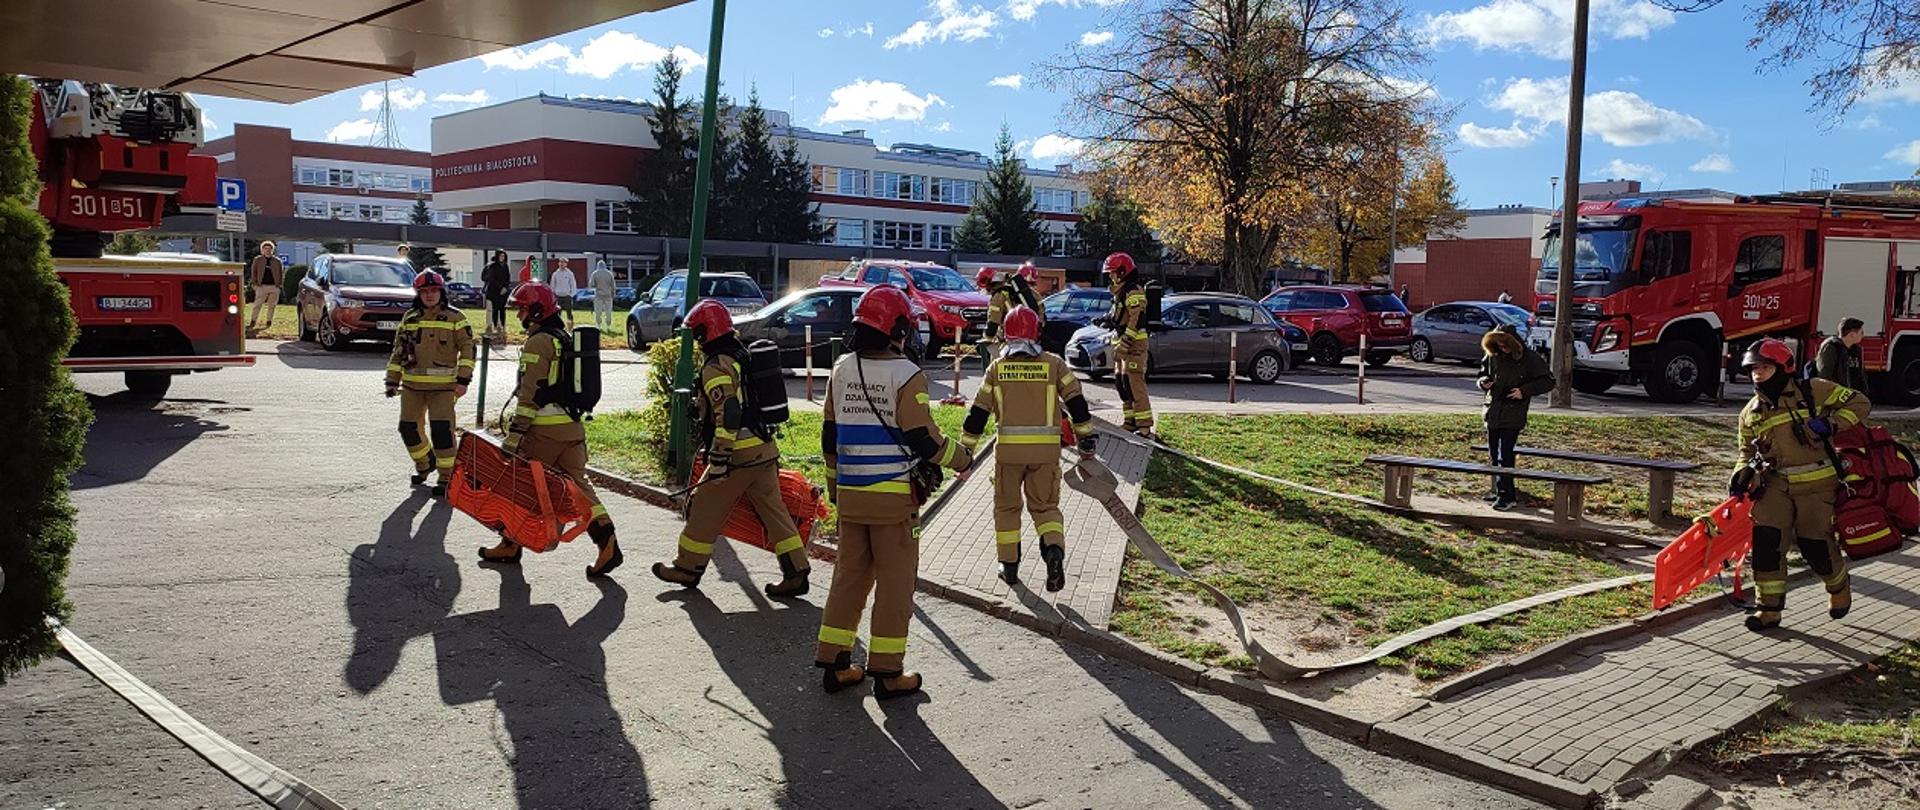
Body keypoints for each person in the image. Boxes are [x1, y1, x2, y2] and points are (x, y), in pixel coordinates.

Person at [816, 285, 975, 698]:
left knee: (848, 578)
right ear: (898, 328)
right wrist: (963, 459)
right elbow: (924, 438)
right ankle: (888, 673)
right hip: (893, 500)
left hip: (850, 496)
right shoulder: (907, 374)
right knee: (895, 584)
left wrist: (836, 487)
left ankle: (836, 661)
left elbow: (829, 437)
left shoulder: (841, 368)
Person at [651, 300, 811, 596]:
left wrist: (721, 457)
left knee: (702, 506)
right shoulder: (740, 354)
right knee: (774, 512)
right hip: (763, 448)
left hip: (739, 454)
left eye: (697, 334)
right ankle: (796, 571)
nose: (696, 340)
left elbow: (731, 411)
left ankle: (687, 567)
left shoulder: (716, 365)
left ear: (705, 333)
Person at [478, 282, 624, 578]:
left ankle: (510, 544)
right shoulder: (563, 338)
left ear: (535, 310)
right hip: (571, 430)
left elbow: (529, 394)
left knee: (518, 487)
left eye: (521, 308)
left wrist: (515, 436)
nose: (518, 314)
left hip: (543, 433)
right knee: (581, 489)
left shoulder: (538, 343)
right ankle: (607, 543)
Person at [1731, 338, 1869, 633]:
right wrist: (1741, 474)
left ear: (1783, 368)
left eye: (1765, 367)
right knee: (1766, 543)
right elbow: (1745, 452)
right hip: (1775, 485)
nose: (1758, 374)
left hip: (1817, 485)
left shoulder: (1813, 390)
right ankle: (1768, 610)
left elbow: (1860, 402)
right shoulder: (1750, 412)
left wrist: (1832, 424)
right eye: (1754, 368)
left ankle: (1838, 587)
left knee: (1814, 544)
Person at [960, 305, 1095, 592]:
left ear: (1006, 334)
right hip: (1045, 455)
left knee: (1007, 509)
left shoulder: (996, 367)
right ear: (1036, 332)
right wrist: (1086, 438)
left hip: (1008, 455)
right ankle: (1054, 553)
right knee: (1046, 508)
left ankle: (1009, 568)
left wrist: (966, 452)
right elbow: (1077, 403)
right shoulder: (1054, 364)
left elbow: (977, 414)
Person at [384, 271, 475, 497]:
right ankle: (425, 464)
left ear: (441, 292)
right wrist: (392, 380)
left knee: (442, 432)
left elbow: (468, 349)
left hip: (444, 389)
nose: (429, 296)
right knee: (407, 429)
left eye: (433, 291)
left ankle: (446, 478)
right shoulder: (410, 318)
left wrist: (463, 380)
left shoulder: (456, 317)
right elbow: (399, 351)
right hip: (412, 387)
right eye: (424, 292)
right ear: (418, 294)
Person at [1477, 326, 1554, 511]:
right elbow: (1481, 374)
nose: (1502, 347)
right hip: (1493, 410)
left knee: (1505, 454)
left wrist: (1524, 391)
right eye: (1499, 344)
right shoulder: (1492, 356)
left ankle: (1507, 496)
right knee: (1494, 454)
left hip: (1513, 412)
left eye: (1505, 344)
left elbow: (1548, 381)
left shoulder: (1529, 358)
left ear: (1513, 343)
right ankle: (1499, 490)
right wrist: (1483, 382)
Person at [1103, 252, 1155, 439]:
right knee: (1122, 384)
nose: (1111, 276)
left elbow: (1136, 319)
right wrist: (1107, 321)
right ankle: (1130, 421)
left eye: (1113, 272)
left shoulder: (1133, 291)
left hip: (1133, 345)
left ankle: (1144, 426)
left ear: (1123, 271)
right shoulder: (1121, 292)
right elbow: (1120, 316)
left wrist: (1124, 343)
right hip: (1122, 345)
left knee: (1134, 383)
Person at [1813, 317, 1870, 393]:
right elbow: (1824, 375)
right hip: (1836, 396)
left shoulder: (1856, 350)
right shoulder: (1831, 347)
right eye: (1861, 332)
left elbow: (1860, 375)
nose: (1863, 335)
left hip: (1852, 396)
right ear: (1852, 335)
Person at [246, 240, 284, 333]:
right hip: (261, 286)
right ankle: (253, 321)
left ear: (272, 250)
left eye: (269, 249)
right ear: (262, 250)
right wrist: (255, 284)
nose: (267, 251)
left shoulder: (277, 261)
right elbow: (253, 272)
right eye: (265, 249)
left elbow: (281, 273)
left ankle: (269, 321)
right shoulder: (258, 260)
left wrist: (279, 285)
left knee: (272, 305)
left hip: (274, 286)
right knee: (257, 305)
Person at [481, 250, 512, 338]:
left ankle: (502, 326)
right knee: (495, 309)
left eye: (503, 256)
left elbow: (508, 278)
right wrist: (500, 287)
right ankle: (495, 326)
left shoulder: (505, 266)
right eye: (501, 256)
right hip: (494, 291)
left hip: (503, 292)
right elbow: (492, 279)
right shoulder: (493, 266)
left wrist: (505, 288)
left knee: (502, 310)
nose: (502, 258)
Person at [549, 258, 579, 327]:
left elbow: (573, 284)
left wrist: (571, 295)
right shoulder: (555, 274)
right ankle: (557, 327)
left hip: (567, 297)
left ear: (566, 264)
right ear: (558, 263)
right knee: (557, 313)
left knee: (569, 313)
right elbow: (552, 285)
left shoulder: (570, 274)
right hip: (558, 296)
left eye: (563, 262)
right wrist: (553, 295)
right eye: (560, 262)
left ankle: (570, 327)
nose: (562, 264)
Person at [590, 258, 617, 330]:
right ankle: (608, 325)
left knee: (598, 311)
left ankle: (599, 325)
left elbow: (592, 284)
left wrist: (597, 285)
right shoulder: (609, 273)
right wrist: (613, 293)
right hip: (608, 295)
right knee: (608, 311)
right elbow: (613, 285)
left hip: (598, 295)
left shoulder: (595, 273)